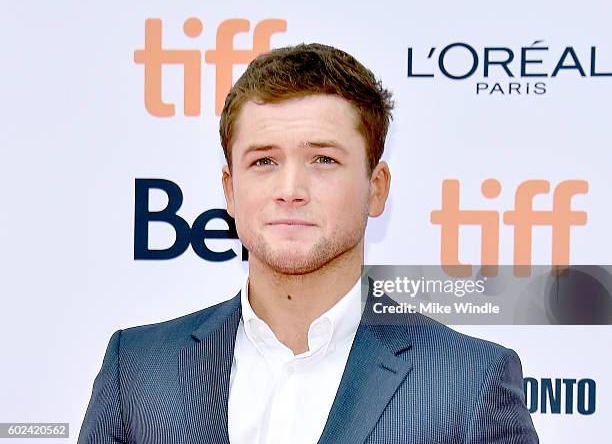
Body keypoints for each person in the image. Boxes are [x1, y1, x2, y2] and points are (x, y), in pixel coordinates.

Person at [78, 43, 539, 444]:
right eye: (263, 161)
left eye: (322, 159)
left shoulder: (469, 382)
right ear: (230, 190)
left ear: (376, 187)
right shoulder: (138, 368)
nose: (291, 189)